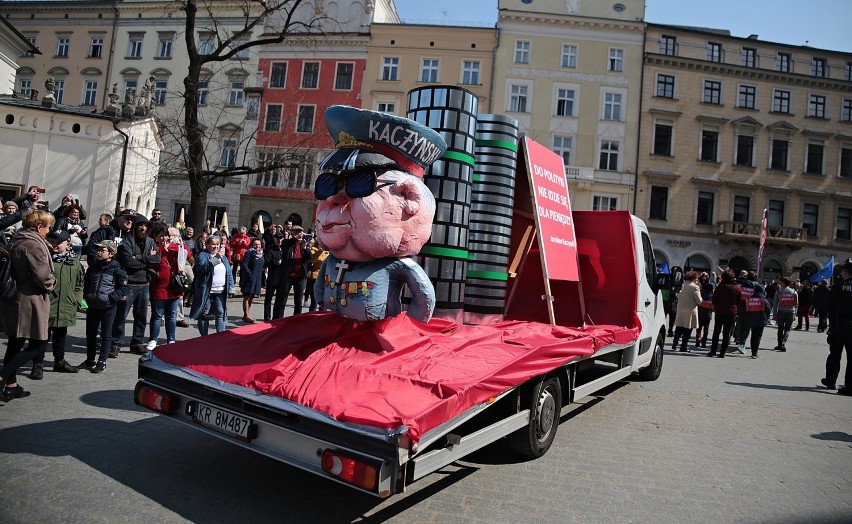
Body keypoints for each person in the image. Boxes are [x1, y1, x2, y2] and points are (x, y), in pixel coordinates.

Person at [312, 105, 445, 323]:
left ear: (408, 197)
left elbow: (424, 297)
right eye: (329, 185)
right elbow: (319, 291)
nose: (333, 198)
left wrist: (405, 330)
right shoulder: (332, 260)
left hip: (377, 334)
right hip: (332, 329)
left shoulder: (397, 266)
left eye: (360, 184)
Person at [0, 209, 56, 401]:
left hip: (16, 297)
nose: (49, 230)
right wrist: (52, 283)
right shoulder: (32, 244)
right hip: (29, 299)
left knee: (16, 342)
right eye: (48, 227)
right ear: (39, 227)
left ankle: (11, 385)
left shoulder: (17, 239)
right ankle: (3, 376)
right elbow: (42, 275)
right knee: (39, 344)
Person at [29, 230, 85, 378]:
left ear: (68, 244)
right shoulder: (45, 260)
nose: (54, 245)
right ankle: (37, 364)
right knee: (42, 337)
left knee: (61, 336)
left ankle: (59, 361)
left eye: (58, 242)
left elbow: (79, 283)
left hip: (66, 305)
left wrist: (76, 299)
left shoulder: (74, 263)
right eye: (52, 241)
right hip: (47, 306)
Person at [115, 214, 160, 355]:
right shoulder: (127, 241)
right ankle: (116, 343)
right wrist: (146, 259)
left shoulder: (151, 241)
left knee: (141, 317)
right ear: (135, 226)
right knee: (121, 315)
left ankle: (137, 342)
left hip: (145, 283)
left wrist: (139, 258)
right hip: (129, 284)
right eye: (140, 225)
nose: (143, 228)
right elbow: (128, 261)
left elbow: (157, 259)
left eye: (146, 226)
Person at [81, 240, 128, 373]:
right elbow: (87, 283)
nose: (99, 252)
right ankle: (90, 360)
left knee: (106, 334)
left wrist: (111, 298)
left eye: (102, 250)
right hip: (93, 305)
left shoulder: (116, 268)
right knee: (90, 334)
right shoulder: (93, 267)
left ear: (112, 253)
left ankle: (102, 361)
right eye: (98, 250)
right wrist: (87, 296)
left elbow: (123, 288)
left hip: (107, 306)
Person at [145, 223, 184, 351]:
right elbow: (150, 260)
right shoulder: (153, 246)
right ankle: (153, 339)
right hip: (158, 286)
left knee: (171, 315)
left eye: (166, 236)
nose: (164, 239)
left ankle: (171, 339)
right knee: (157, 315)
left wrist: (177, 246)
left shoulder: (174, 247)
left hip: (173, 287)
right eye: (161, 236)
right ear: (155, 237)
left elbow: (186, 256)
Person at [190, 235, 234, 336]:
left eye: (217, 244)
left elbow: (228, 272)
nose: (215, 246)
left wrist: (231, 287)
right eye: (213, 244)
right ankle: (204, 336)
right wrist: (216, 258)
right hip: (207, 291)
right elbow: (203, 267)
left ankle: (220, 335)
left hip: (220, 291)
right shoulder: (202, 255)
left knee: (220, 312)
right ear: (207, 244)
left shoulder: (223, 258)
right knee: (205, 314)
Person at [823, 260, 852, 395]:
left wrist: (830, 325)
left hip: (838, 326)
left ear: (845, 272)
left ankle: (830, 381)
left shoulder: (838, 285)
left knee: (834, 354)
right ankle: (849, 387)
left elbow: (830, 304)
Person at [273, 225, 311, 318]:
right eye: (296, 232)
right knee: (282, 299)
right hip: (288, 275)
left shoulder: (304, 245)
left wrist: (305, 247)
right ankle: (277, 320)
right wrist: (294, 239)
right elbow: (284, 247)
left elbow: (309, 258)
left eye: (300, 232)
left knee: (298, 301)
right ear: (293, 233)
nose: (299, 234)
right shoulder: (288, 243)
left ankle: (296, 321)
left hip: (300, 276)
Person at [706, 270, 741, 358]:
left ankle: (713, 351)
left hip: (720, 311)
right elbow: (738, 301)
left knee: (716, 332)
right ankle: (722, 352)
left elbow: (714, 299)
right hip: (731, 312)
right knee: (726, 333)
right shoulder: (737, 288)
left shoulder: (720, 287)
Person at [671, 271, 702, 352]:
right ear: (693, 278)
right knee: (688, 329)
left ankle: (675, 343)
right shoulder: (694, 287)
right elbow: (699, 300)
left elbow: (677, 296)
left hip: (681, 308)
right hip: (690, 310)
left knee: (679, 327)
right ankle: (683, 346)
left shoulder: (682, 285)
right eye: (696, 278)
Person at [742, 284, 771, 359]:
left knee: (753, 335)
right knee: (758, 336)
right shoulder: (764, 300)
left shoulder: (750, 299)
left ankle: (752, 352)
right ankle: (755, 353)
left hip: (751, 320)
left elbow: (745, 309)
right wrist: (766, 318)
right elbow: (768, 310)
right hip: (761, 320)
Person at [239, 238, 264, 323]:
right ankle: (246, 316)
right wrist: (249, 274)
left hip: (257, 278)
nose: (257, 246)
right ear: (252, 245)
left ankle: (246, 314)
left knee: (252, 296)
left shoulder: (261, 254)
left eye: (259, 244)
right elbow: (244, 265)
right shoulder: (249, 252)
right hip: (249, 278)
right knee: (247, 296)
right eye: (255, 244)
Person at [772, 277, 798, 352]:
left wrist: (774, 314)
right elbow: (796, 304)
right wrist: (795, 314)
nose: (779, 282)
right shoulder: (794, 292)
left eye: (780, 281)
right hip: (791, 312)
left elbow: (775, 304)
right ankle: (783, 343)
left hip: (781, 312)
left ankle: (780, 344)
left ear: (783, 283)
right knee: (787, 329)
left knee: (780, 329)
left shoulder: (778, 292)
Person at [263, 231, 284, 321]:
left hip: (281, 278)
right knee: (268, 298)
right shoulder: (270, 249)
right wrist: (276, 262)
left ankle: (276, 317)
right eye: (277, 238)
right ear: (274, 239)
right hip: (272, 277)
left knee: (279, 299)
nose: (279, 240)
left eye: (280, 238)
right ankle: (267, 317)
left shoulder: (284, 249)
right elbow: (266, 261)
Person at [305, 237, 328, 312]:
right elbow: (312, 259)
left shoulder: (327, 252)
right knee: (314, 300)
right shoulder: (313, 250)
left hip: (325, 278)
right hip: (315, 277)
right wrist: (320, 250)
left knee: (324, 302)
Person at [696, 272, 714, 348]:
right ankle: (703, 342)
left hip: (700, 308)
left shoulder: (699, 287)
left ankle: (698, 340)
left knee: (699, 327)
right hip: (707, 309)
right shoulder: (710, 287)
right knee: (706, 328)